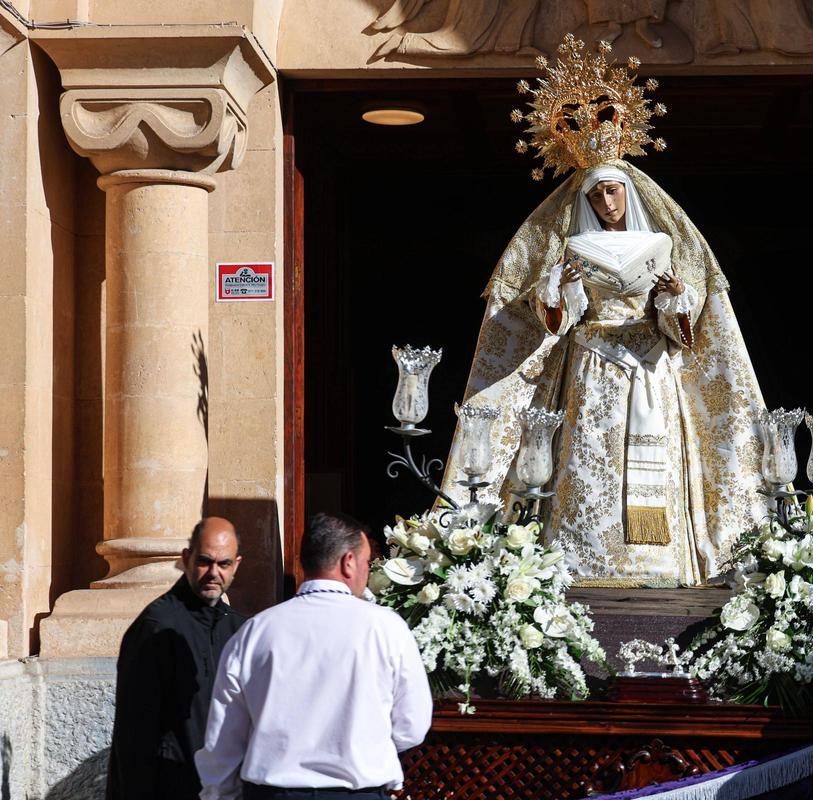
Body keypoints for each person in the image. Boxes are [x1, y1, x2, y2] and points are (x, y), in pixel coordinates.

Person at [442, 36, 767, 588]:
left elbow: (684, 331)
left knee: (653, 460)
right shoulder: (570, 248)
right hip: (591, 367)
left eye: (614, 192)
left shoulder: (659, 241)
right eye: (597, 197)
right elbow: (553, 322)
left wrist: (670, 297)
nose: (608, 204)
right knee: (590, 463)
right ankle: (583, 560)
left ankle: (660, 563)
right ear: (585, 202)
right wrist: (559, 289)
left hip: (651, 369)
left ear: (628, 192)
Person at [196, 512, 432, 800]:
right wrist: (364, 746)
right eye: (367, 563)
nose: (367, 572)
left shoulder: (255, 632)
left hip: (275, 793)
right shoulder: (386, 628)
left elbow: (224, 738)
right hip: (357, 792)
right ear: (348, 562)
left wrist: (219, 794)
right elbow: (412, 725)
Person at [107, 517, 246, 800]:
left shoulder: (239, 628)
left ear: (237, 565)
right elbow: (134, 736)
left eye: (224, 564)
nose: (213, 573)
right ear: (186, 559)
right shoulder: (156, 626)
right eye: (205, 561)